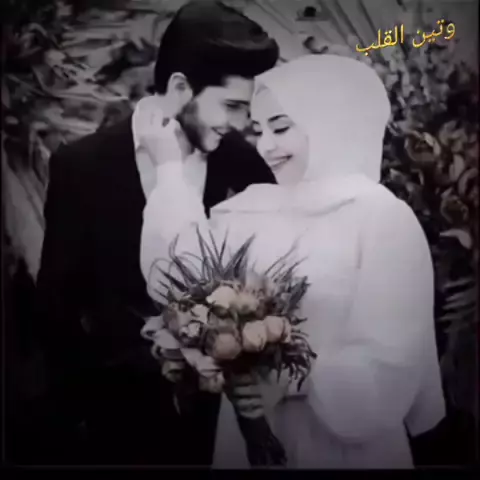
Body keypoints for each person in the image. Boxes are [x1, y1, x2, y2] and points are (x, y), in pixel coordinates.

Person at [139, 54, 446, 468]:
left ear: (331, 122)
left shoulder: (381, 217)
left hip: (345, 447)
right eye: (259, 130)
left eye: (281, 127)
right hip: (244, 437)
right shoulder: (249, 209)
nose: (265, 146)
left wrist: (287, 379)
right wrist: (169, 172)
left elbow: (392, 358)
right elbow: (177, 276)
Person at [35, 0, 279, 465]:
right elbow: (57, 305)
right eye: (230, 106)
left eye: (245, 109)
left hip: (221, 428)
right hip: (117, 424)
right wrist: (82, 409)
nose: (240, 124)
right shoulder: (81, 166)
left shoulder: (243, 164)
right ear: (181, 87)